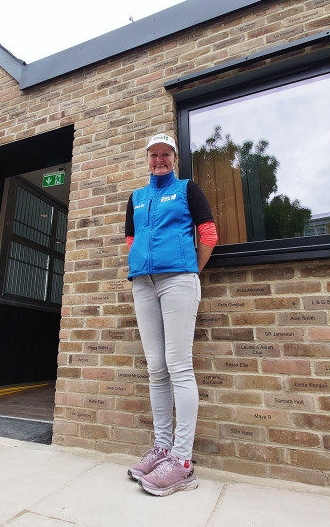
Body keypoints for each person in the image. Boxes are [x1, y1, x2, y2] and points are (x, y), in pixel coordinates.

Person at [124, 133, 217, 496]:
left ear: (174, 158)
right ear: (147, 159)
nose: (159, 160)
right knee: (156, 368)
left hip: (178, 279)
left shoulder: (187, 189)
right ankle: (162, 448)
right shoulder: (136, 197)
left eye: (165, 154)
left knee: (179, 366)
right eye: (153, 155)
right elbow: (131, 240)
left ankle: (181, 461)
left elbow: (208, 232)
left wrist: (191, 268)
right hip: (143, 284)